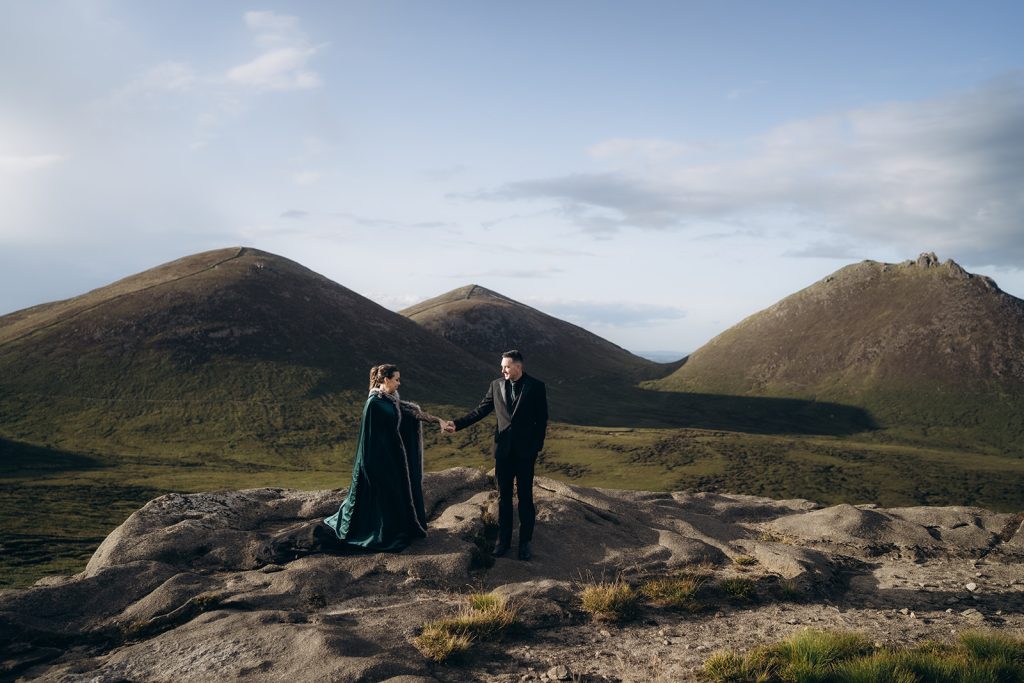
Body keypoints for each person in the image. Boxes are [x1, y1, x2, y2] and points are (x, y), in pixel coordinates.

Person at [323, 364, 444, 552]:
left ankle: (398, 528)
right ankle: (378, 534)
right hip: (379, 462)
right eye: (396, 379)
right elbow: (368, 439)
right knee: (384, 499)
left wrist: (439, 421)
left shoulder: (391, 399)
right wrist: (375, 467)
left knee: (398, 494)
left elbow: (412, 413)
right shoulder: (374, 403)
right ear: (386, 380)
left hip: (393, 460)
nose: (399, 383)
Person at [443, 350, 548, 561]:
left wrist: (535, 447)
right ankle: (503, 541)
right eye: (502, 367)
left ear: (518, 367)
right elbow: (480, 410)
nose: (503, 370)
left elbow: (542, 420)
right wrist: (457, 424)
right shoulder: (496, 385)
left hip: (525, 453)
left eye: (507, 367)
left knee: (526, 498)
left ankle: (525, 543)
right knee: (503, 498)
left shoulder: (536, 386)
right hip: (503, 452)